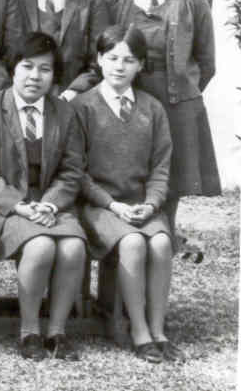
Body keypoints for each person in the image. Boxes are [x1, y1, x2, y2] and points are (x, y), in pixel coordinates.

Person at [101, 0, 219, 256]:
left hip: (177, 109)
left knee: (168, 190)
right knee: (128, 186)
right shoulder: (112, 0)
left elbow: (206, 62)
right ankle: (124, 268)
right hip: (128, 109)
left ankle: (160, 262)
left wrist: (180, 92)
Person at [0, 32, 87, 361]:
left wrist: (49, 203)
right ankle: (30, 331)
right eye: (27, 66)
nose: (35, 76)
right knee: (41, 245)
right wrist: (20, 206)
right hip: (3, 209)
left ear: (55, 75)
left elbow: (72, 170)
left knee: (74, 247)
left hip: (51, 205)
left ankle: (57, 332)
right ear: (13, 69)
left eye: (45, 69)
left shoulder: (65, 113)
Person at [72, 24, 181, 363]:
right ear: (99, 59)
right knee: (132, 242)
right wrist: (112, 205)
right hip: (99, 206)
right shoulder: (82, 107)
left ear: (141, 65)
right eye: (113, 58)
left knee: (160, 243)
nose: (120, 66)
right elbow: (77, 172)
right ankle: (139, 330)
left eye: (129, 60)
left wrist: (151, 204)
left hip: (141, 204)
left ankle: (158, 329)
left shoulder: (153, 109)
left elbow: (161, 168)